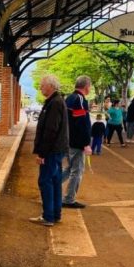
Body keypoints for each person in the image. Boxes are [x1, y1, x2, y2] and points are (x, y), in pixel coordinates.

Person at [30, 75, 68, 227]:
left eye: (42, 85)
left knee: (45, 181)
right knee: (55, 181)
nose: (40, 88)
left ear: (51, 86)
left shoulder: (55, 103)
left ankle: (48, 216)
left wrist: (42, 153)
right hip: (56, 150)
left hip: (52, 151)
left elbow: (50, 130)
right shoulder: (55, 102)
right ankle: (55, 214)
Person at [61, 76, 92, 209]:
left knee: (70, 168)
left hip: (69, 140)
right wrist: (85, 143)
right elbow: (81, 123)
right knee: (77, 171)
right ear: (86, 86)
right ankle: (69, 199)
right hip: (76, 142)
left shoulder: (69, 98)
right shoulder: (79, 99)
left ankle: (52, 186)